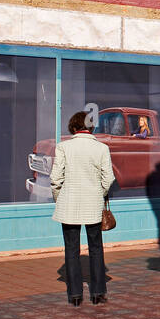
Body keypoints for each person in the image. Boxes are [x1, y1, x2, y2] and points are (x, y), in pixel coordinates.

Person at [50, 111, 115, 306]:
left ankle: (75, 295)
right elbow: (109, 178)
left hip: (69, 204)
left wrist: (59, 198)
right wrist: (99, 193)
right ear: (91, 126)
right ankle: (98, 293)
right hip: (93, 205)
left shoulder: (63, 147)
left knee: (71, 249)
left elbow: (55, 179)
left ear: (73, 126)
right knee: (96, 248)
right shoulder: (102, 148)